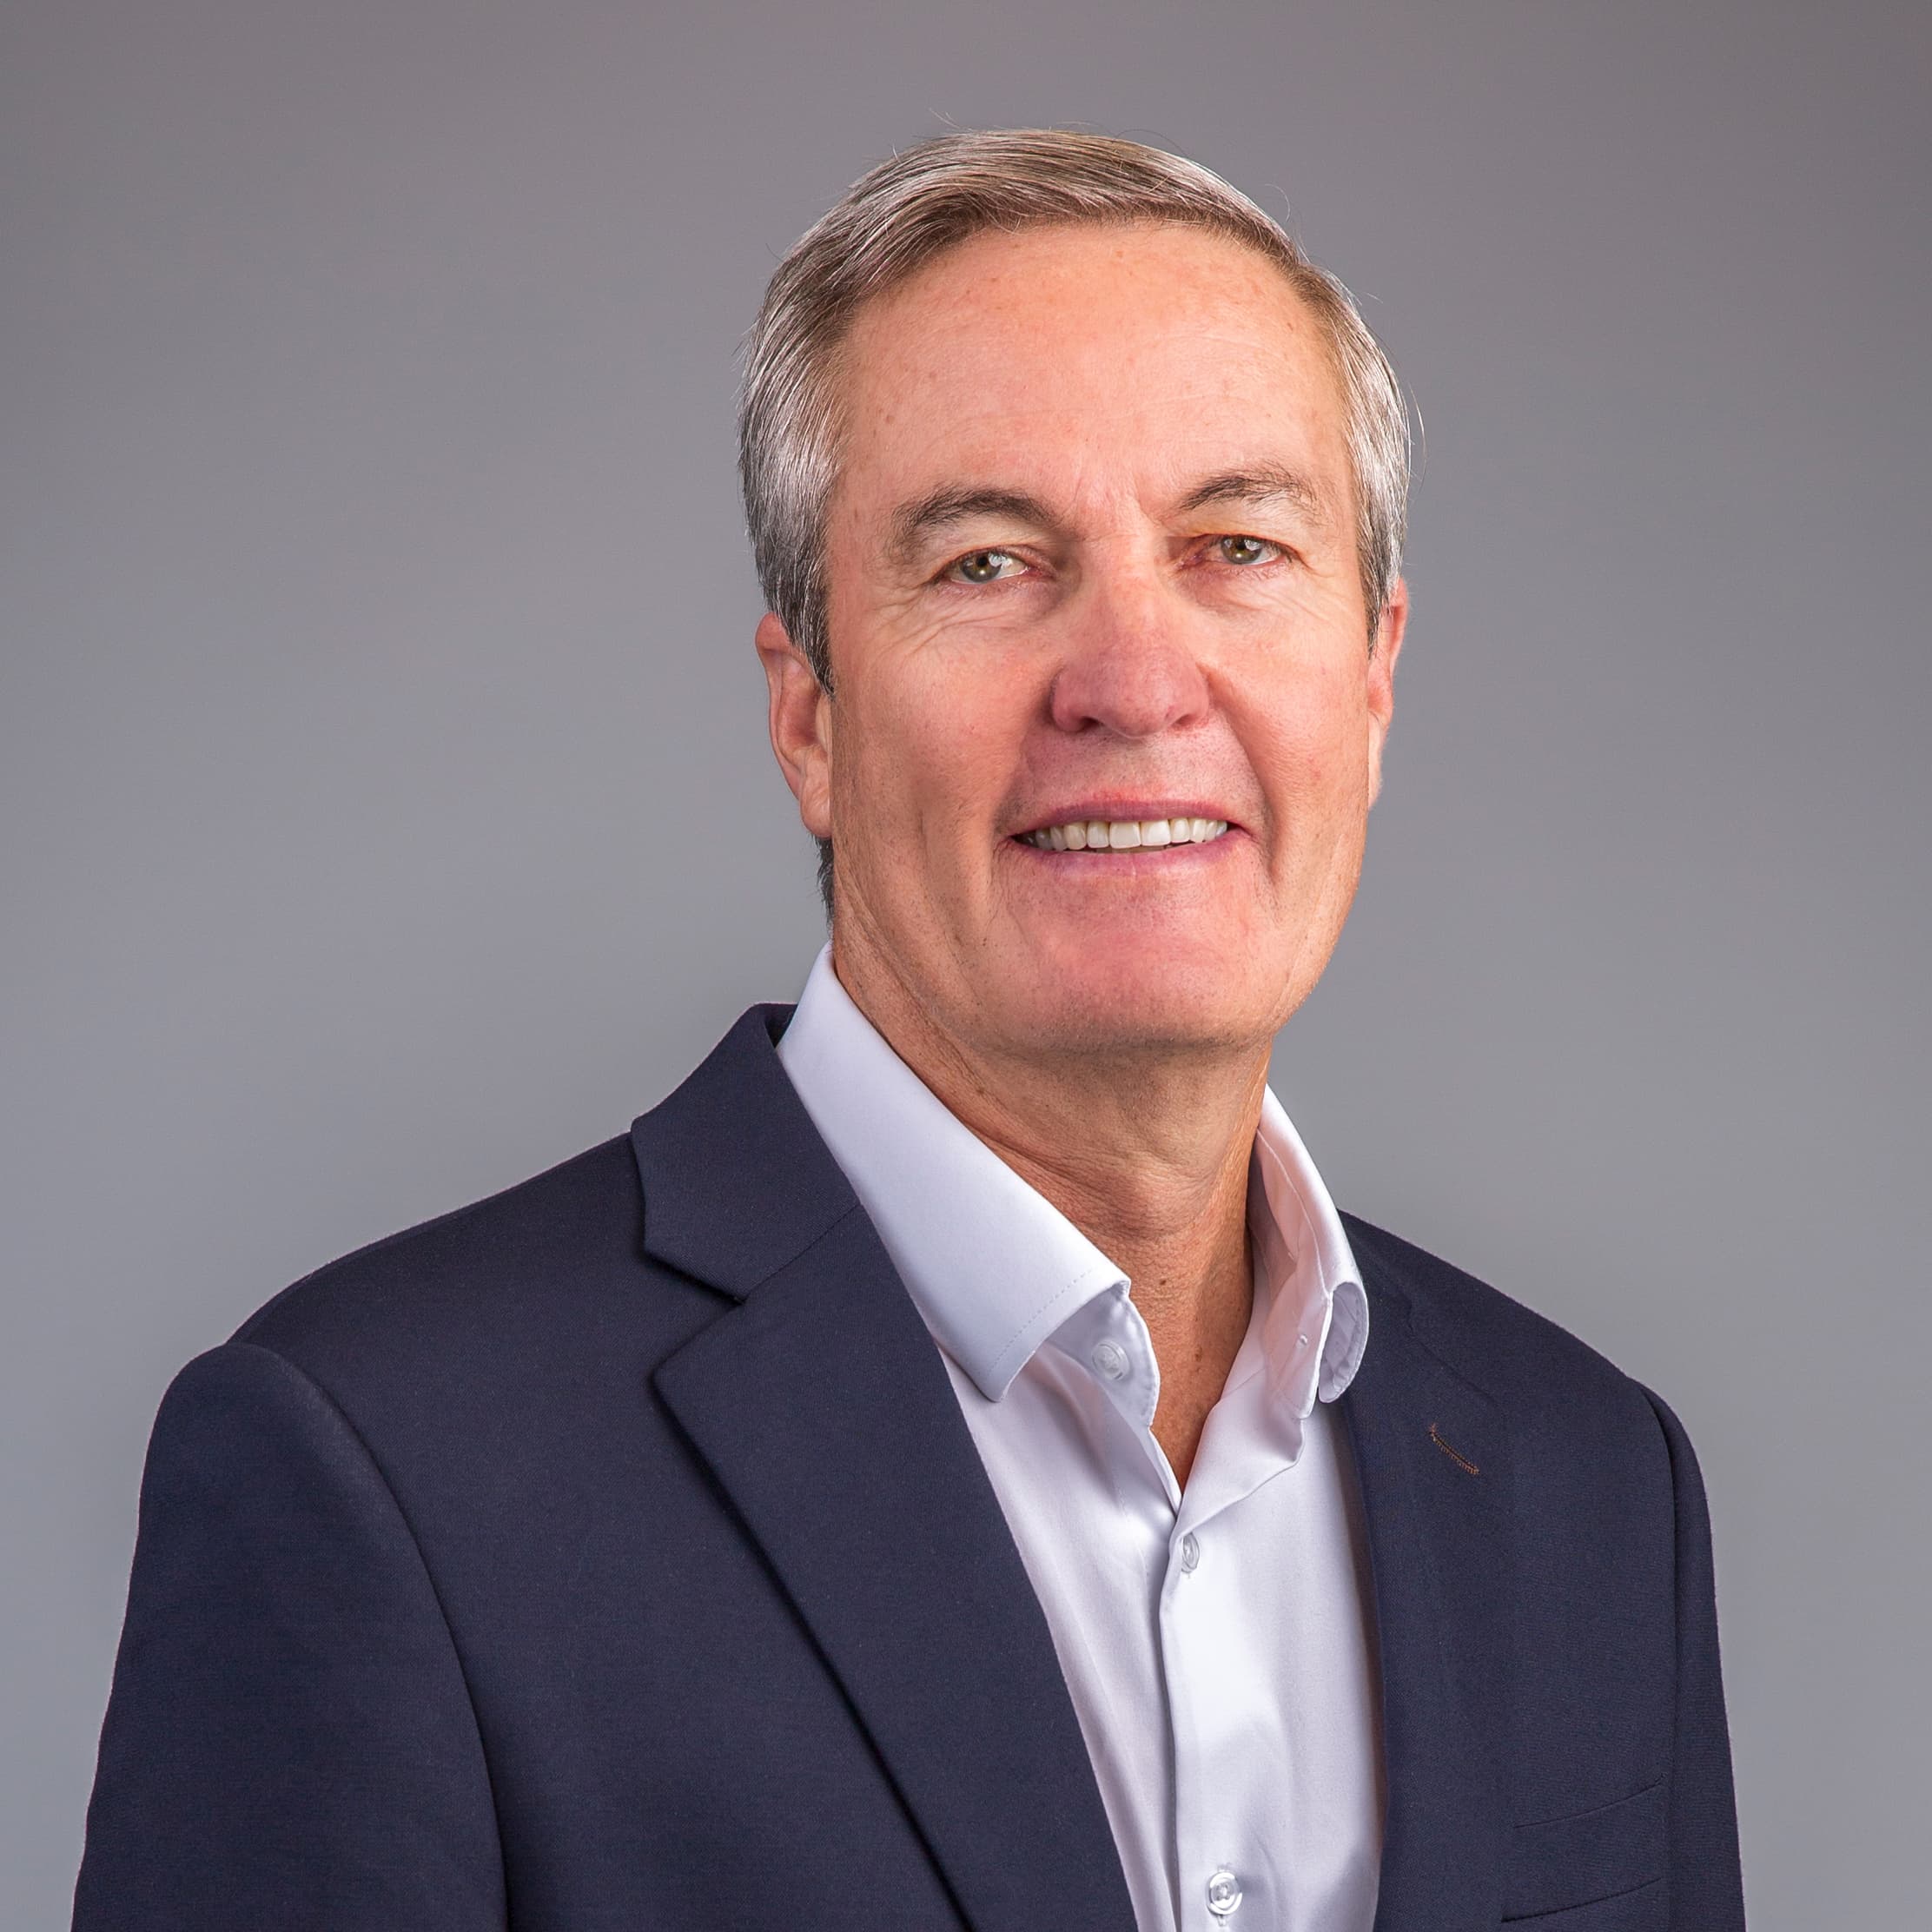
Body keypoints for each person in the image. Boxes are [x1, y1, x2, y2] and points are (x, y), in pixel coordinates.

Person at [73, 130, 1745, 1932]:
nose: (1131, 679)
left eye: (1234, 545)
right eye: (986, 564)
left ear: (1370, 675)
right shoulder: (386, 1468)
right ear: (807, 710)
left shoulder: (1588, 1481)